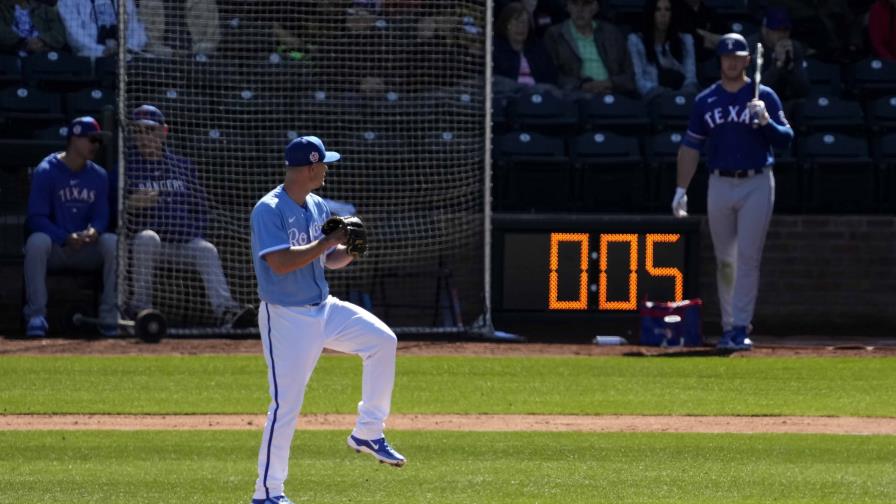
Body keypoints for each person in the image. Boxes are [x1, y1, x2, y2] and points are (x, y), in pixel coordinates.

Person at [249, 136, 404, 504]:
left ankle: (368, 431)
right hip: (286, 318)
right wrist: (326, 243)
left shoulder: (316, 204)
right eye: (324, 164)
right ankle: (267, 493)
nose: (327, 170)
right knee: (285, 405)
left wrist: (348, 252)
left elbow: (326, 260)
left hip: (324, 307)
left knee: (383, 341)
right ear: (310, 167)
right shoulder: (268, 209)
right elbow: (282, 263)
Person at [671, 33, 794, 350]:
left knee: (748, 258)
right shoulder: (706, 100)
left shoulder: (764, 95)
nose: (731, 62)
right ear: (720, 60)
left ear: (747, 61)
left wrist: (766, 120)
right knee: (726, 260)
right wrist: (681, 188)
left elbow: (785, 139)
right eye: (726, 57)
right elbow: (690, 146)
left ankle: (740, 327)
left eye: (737, 57)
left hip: (756, 181)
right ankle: (729, 326)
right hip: (720, 182)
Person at [124, 104, 255, 327]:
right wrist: (130, 204)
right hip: (145, 246)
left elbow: (201, 207)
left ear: (163, 132)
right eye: (138, 131)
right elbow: (114, 210)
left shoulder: (181, 165)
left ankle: (226, 312)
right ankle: (139, 309)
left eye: (150, 130)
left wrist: (192, 230)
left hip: (181, 243)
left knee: (206, 250)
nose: (144, 137)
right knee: (147, 238)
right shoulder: (127, 166)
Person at [24, 116, 117, 337]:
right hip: (57, 248)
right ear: (74, 139)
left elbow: (101, 215)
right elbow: (36, 218)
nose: (96, 145)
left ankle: (109, 315)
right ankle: (36, 315)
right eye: (92, 140)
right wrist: (64, 237)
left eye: (98, 141)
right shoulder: (46, 170)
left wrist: (94, 230)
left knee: (112, 243)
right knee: (36, 241)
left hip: (86, 248)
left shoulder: (99, 175)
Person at [543, 0, 635, 96]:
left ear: (595, 7)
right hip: (574, 98)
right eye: (575, 4)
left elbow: (629, 75)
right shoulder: (555, 35)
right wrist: (582, 85)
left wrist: (608, 83)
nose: (580, 10)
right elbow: (551, 75)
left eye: (586, 4)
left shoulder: (612, 33)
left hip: (613, 94)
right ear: (568, 6)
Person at [627, 0, 698, 101]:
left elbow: (691, 78)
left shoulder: (686, 40)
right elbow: (639, 81)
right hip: (652, 98)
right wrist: (663, 94)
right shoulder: (636, 41)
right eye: (658, 10)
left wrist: (679, 96)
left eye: (667, 10)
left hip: (682, 97)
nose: (663, 15)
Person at [493, 1, 559, 97]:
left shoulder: (539, 50)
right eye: (516, 22)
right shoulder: (494, 49)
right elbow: (495, 81)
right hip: (508, 98)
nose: (521, 27)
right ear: (506, 25)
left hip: (538, 99)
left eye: (525, 23)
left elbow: (551, 81)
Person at [747, 7, 810, 102]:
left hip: (786, 104)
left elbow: (803, 91)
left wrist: (791, 66)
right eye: (776, 30)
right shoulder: (751, 47)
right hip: (757, 104)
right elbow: (754, 92)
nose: (782, 35)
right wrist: (777, 64)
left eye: (785, 30)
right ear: (764, 29)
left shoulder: (794, 47)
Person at [56, 0, 147, 58]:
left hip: (126, 56)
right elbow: (74, 36)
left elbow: (138, 31)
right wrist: (102, 51)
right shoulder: (67, 1)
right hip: (90, 59)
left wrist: (127, 48)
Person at [139, 0, 220, 57]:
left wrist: (191, 52)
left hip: (197, 61)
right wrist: (172, 54)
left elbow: (213, 40)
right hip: (160, 62)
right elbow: (146, 42)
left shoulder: (206, 2)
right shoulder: (147, 2)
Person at [0, 0, 68, 54]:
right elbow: (2, 32)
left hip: (44, 53)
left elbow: (59, 33)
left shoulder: (43, 7)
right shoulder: (2, 8)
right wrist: (24, 43)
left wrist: (42, 41)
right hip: (11, 55)